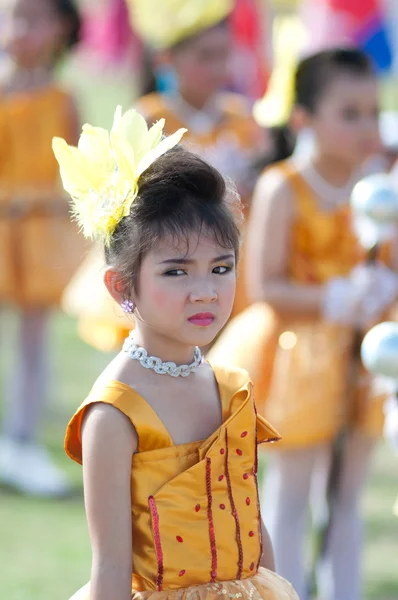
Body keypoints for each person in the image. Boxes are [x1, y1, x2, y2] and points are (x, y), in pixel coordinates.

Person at [52, 105, 298, 600]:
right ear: (123, 285)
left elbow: (254, 531)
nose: (205, 291)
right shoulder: (115, 414)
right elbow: (113, 567)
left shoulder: (231, 388)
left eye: (221, 268)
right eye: (177, 271)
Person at [208, 48, 398, 600]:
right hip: (294, 359)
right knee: (288, 493)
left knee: (347, 492)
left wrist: (382, 288)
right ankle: (284, 590)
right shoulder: (284, 187)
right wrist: (334, 298)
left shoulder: (382, 187)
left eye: (373, 110)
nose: (368, 125)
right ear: (304, 120)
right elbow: (267, 286)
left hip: (367, 356)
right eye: (350, 113)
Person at [61, 0, 266, 353]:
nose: (217, 68)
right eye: (204, 57)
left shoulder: (242, 118)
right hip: (171, 251)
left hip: (229, 251)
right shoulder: (150, 116)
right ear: (167, 61)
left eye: (223, 55)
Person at [0, 0, 84, 497]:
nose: (21, 30)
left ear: (60, 30)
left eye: (35, 19)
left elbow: (73, 165)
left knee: (34, 339)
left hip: (38, 236)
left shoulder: (62, 97)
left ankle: (23, 440)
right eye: (14, 17)